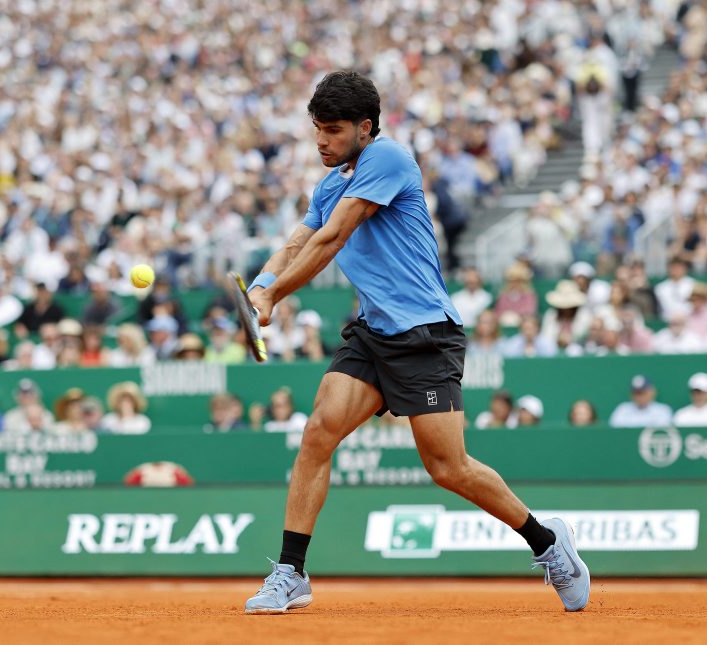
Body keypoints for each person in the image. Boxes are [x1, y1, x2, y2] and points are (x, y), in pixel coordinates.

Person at [243, 72, 588, 615]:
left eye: (333, 131)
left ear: (365, 127)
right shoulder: (330, 185)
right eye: (317, 130)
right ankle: (291, 572)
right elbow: (297, 242)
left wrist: (275, 296)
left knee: (448, 468)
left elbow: (332, 238)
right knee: (318, 432)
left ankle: (547, 542)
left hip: (425, 334)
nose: (322, 142)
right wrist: (261, 286)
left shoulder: (389, 158)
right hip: (373, 333)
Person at [608, 375, 674, 428]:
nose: (640, 397)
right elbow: (615, 431)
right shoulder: (622, 410)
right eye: (636, 393)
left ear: (652, 392)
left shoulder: (663, 410)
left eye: (643, 393)